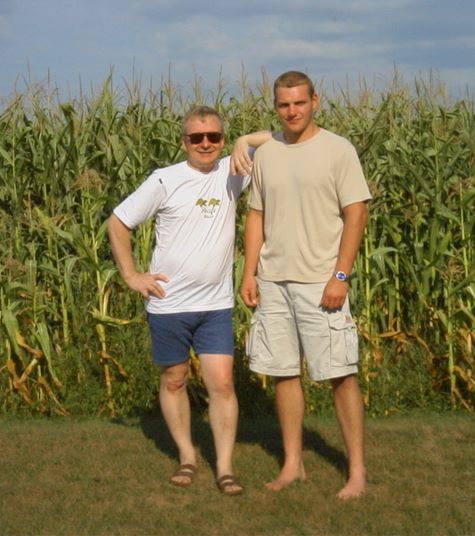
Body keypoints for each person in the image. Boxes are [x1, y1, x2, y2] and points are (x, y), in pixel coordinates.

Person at [108, 105, 269, 496]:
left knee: (223, 383)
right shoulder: (164, 180)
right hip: (169, 305)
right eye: (197, 137)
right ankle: (186, 456)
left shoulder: (235, 171)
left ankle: (225, 467)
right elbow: (118, 222)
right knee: (175, 379)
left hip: (215, 305)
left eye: (214, 136)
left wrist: (244, 140)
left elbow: (282, 136)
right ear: (183, 142)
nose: (206, 144)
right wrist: (131, 275)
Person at [239, 71, 371, 500]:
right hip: (273, 282)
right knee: (283, 374)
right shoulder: (268, 153)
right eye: (283, 104)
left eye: (299, 102)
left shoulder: (338, 150)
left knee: (340, 375)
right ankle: (293, 464)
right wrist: (249, 272)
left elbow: (356, 213)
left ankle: (356, 472)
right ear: (275, 106)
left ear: (315, 100)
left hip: (321, 282)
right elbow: (255, 215)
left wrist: (340, 275)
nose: (292, 111)